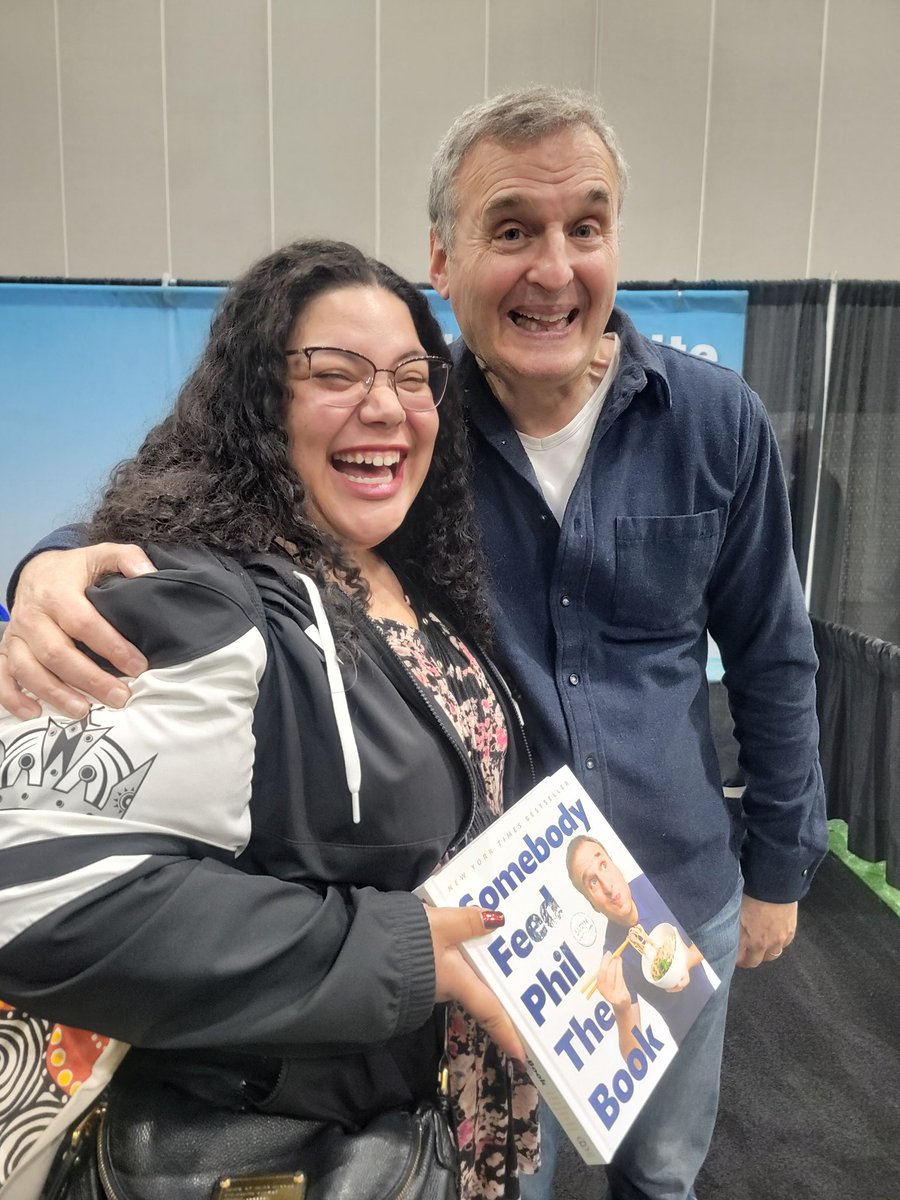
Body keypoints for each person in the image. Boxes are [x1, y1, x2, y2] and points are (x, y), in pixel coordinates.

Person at [0, 87, 828, 1200]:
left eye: (586, 227)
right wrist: (58, 565)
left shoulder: (713, 420)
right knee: (507, 1173)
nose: (553, 267)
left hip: (678, 889)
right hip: (496, 933)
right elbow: (202, 495)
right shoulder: (419, 421)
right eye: (511, 230)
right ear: (443, 258)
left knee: (665, 1170)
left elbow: (772, 650)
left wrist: (778, 862)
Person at [0, 238, 542, 1199]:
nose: (386, 405)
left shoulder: (407, 576)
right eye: (336, 372)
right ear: (259, 402)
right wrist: (402, 948)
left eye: (414, 376)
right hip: (278, 1148)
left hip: (427, 1103)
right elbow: (36, 899)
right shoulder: (199, 600)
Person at [566, 835, 716, 1059]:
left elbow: (715, 928)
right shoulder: (614, 957)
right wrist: (623, 1009)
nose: (607, 885)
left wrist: (688, 958)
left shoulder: (652, 883)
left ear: (616, 865)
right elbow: (635, 1061)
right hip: (691, 1044)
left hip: (720, 1000)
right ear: (591, 903)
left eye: (604, 865)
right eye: (593, 882)